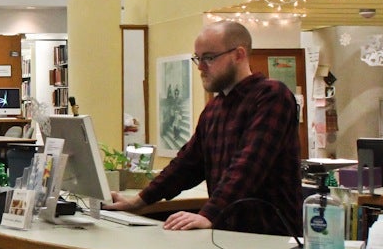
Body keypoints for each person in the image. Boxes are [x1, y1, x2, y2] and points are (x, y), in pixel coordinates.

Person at [103, 20, 302, 235]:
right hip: (229, 234)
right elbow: (187, 164)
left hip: (271, 238)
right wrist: (138, 201)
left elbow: (250, 164)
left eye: (209, 57)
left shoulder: (271, 96)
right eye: (198, 58)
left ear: (239, 54)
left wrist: (210, 214)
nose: (200, 67)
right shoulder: (215, 108)